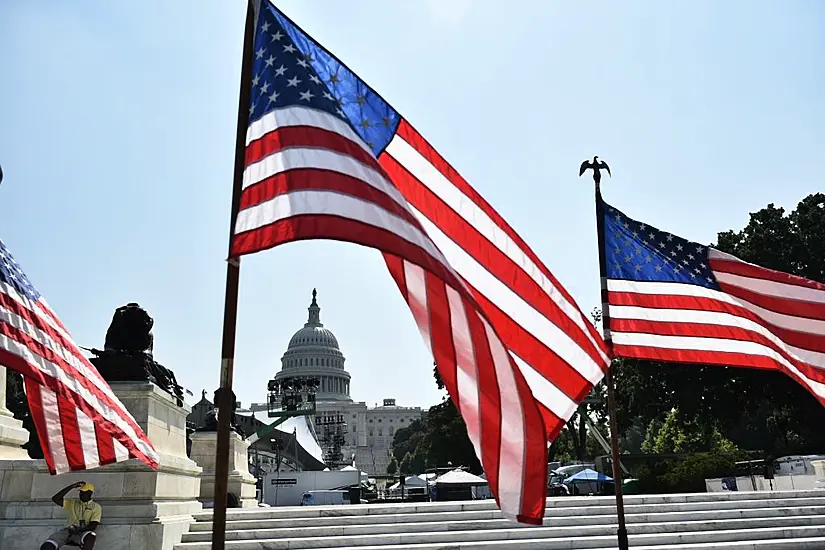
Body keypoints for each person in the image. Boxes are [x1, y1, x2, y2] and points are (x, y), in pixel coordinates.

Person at [40, 481, 101, 550]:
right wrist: (71, 487)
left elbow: (93, 525)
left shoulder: (96, 507)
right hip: (67, 531)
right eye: (80, 492)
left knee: (91, 536)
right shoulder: (72, 503)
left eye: (84, 492)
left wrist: (79, 529)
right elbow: (55, 499)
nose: (81, 494)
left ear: (90, 493)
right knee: (47, 546)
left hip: (82, 532)